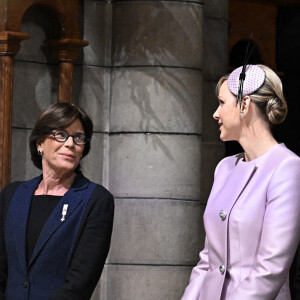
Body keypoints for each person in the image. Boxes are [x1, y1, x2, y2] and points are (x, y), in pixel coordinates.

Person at [181, 64, 300, 300]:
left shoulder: (286, 167)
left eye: (222, 103)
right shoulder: (224, 168)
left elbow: (271, 269)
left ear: (244, 105)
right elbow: (208, 261)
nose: (215, 113)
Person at [0, 103, 114, 300]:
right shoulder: (12, 194)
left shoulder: (96, 200)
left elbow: (81, 282)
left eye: (78, 137)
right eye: (61, 134)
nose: (70, 144)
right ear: (39, 143)